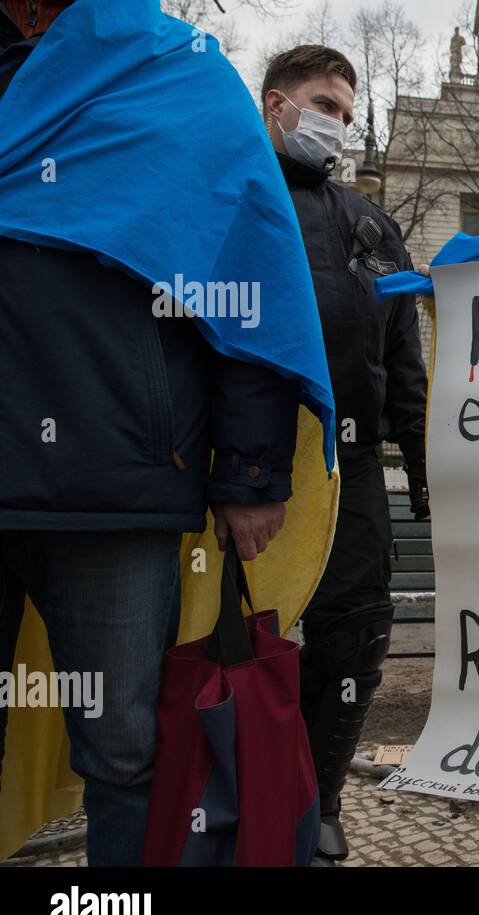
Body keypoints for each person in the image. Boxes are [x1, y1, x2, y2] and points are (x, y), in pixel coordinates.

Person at [0, 0, 334, 865]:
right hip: (104, 472)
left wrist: (253, 471)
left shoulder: (180, 76)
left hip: (116, 484)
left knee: (125, 755)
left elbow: (247, 273)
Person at [261, 45, 429, 864]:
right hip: (243, 458)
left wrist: (426, 466)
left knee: (357, 630)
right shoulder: (230, 197)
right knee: (234, 636)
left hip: (350, 465)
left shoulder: (372, 223)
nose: (336, 124)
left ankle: (320, 801)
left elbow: (404, 360)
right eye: (323, 105)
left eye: (347, 114)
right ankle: (235, 792)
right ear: (275, 106)